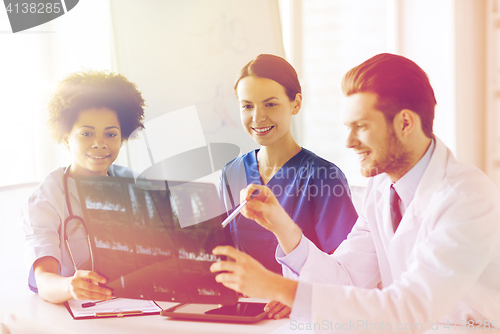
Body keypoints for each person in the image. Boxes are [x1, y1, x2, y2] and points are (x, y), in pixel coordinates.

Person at [211, 53, 500, 331]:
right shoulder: (382, 187)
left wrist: (275, 286)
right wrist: (282, 225)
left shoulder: (467, 198)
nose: (349, 142)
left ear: (405, 123)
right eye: (348, 127)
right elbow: (346, 278)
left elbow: (410, 309)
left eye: (360, 127)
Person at [218, 54, 358, 318]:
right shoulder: (231, 173)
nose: (258, 117)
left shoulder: (324, 176)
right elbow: (221, 253)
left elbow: (345, 268)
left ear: (296, 103)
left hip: (303, 313)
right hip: (243, 313)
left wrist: (296, 293)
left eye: (270, 104)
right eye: (247, 106)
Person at [21, 70, 145, 304]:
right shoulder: (46, 199)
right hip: (75, 316)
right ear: (66, 137)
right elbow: (45, 281)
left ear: (123, 137)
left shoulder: (135, 186)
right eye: (86, 133)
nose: (99, 143)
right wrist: (70, 285)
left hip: (136, 307)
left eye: (111, 134)